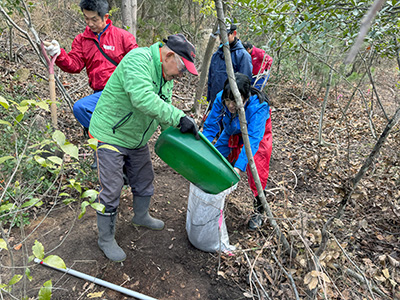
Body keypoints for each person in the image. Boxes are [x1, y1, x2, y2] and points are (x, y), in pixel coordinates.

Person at [88, 33, 199, 262]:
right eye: (182, 69)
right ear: (168, 55)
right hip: (111, 133)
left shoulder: (165, 77)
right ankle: (106, 238)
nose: (180, 76)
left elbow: (163, 110)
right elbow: (143, 98)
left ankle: (141, 216)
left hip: (136, 139)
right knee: (112, 187)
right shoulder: (138, 60)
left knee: (144, 177)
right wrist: (179, 116)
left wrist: (183, 131)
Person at [44, 0, 138, 131]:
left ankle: (111, 136)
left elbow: (138, 64)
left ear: (105, 17)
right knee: (81, 109)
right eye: (86, 18)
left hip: (122, 92)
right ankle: (106, 136)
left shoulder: (123, 37)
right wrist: (59, 54)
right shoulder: (81, 40)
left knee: (82, 108)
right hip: (99, 94)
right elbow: (74, 65)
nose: (89, 23)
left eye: (94, 19)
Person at [202, 73, 272, 231]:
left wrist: (238, 168)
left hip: (257, 135)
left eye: (234, 101)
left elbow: (253, 140)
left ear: (245, 97)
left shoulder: (258, 106)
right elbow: (211, 125)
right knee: (215, 154)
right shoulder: (222, 97)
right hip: (233, 128)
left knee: (257, 171)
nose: (230, 105)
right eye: (227, 100)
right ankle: (212, 191)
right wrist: (202, 147)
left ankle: (259, 210)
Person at [207, 23, 252, 108]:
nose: (222, 38)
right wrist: (210, 99)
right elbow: (211, 79)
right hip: (215, 102)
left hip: (232, 105)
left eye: (225, 35)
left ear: (234, 33)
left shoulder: (243, 56)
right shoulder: (216, 55)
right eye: (220, 35)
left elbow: (245, 83)